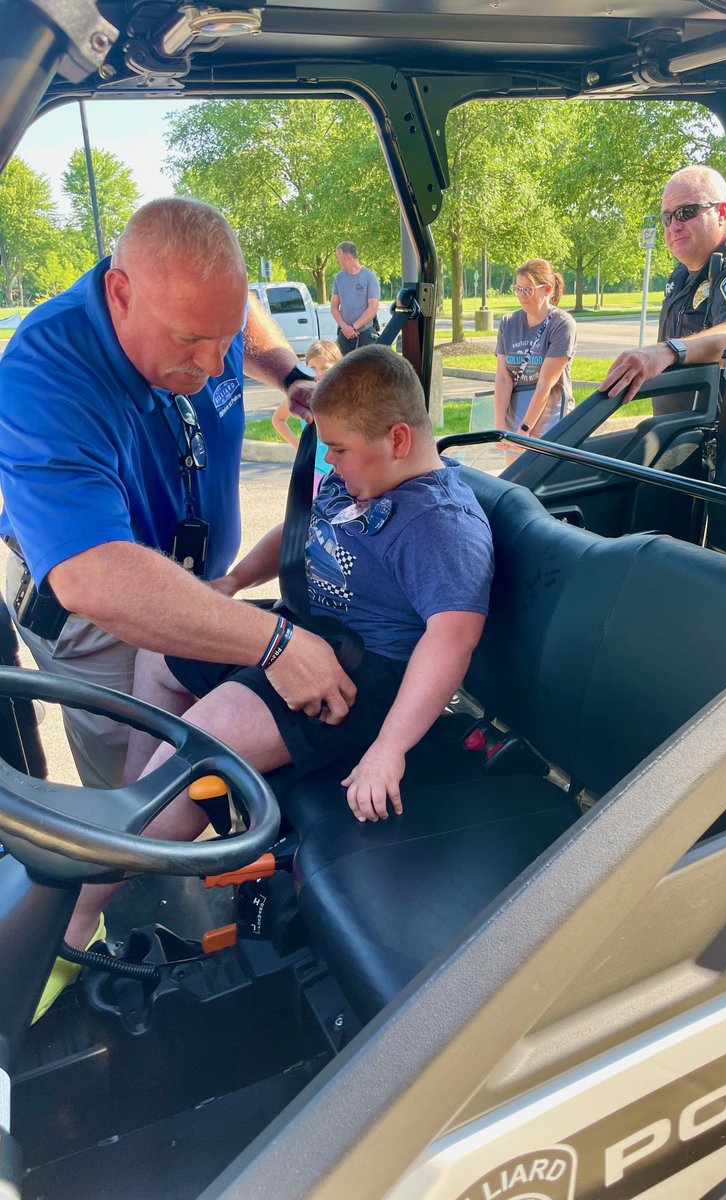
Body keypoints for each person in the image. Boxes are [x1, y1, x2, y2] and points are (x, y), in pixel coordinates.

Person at [52, 345, 493, 992]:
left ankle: (73, 923)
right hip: (299, 636)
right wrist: (231, 584)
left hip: (360, 684)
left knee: (209, 735)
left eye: (339, 449)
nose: (331, 462)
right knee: (159, 654)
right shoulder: (364, 477)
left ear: (398, 438)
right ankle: (132, 815)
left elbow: (450, 643)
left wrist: (390, 750)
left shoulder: (439, 524)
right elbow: (298, 531)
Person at [0, 198, 357, 794]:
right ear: (120, 294)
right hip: (102, 613)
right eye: (191, 340)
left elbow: (239, 312)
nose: (217, 364)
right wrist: (276, 644)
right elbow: (91, 575)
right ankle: (138, 886)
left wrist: (289, 374)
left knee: (200, 771)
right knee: (137, 799)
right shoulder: (44, 375)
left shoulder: (201, 311)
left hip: (196, 586)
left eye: (226, 339)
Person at [599, 165, 726, 413]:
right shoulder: (682, 274)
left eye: (685, 212)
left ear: (721, 212)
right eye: (667, 217)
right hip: (679, 435)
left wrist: (668, 351)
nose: (673, 226)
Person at [493, 258, 577, 440]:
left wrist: (525, 429)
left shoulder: (562, 325)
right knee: (514, 469)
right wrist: (500, 428)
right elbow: (503, 378)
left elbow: (545, 384)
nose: (521, 296)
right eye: (518, 289)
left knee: (541, 468)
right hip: (514, 417)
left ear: (547, 289)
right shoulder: (508, 323)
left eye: (528, 290)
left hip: (550, 419)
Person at [271, 338, 341, 492]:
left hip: (341, 469)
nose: (318, 373)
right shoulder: (303, 395)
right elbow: (278, 419)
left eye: (325, 368)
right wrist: (299, 445)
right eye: (312, 367)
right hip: (314, 469)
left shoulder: (344, 396)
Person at [330, 242, 381, 355]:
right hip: (344, 335)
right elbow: (334, 307)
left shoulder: (369, 276)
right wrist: (346, 328)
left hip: (365, 334)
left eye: (338, 256)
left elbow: (373, 308)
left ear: (347, 256)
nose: (337, 260)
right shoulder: (338, 278)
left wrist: (354, 327)